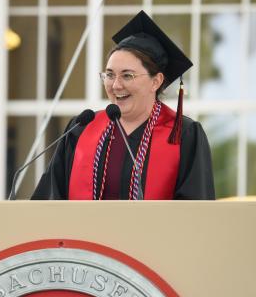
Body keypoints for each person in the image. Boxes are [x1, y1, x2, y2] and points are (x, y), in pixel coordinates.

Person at [32, 11, 215, 200]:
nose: (116, 85)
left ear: (156, 81)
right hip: (83, 230)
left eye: (127, 75)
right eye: (110, 75)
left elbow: (195, 212)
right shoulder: (82, 129)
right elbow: (50, 201)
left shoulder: (183, 135)